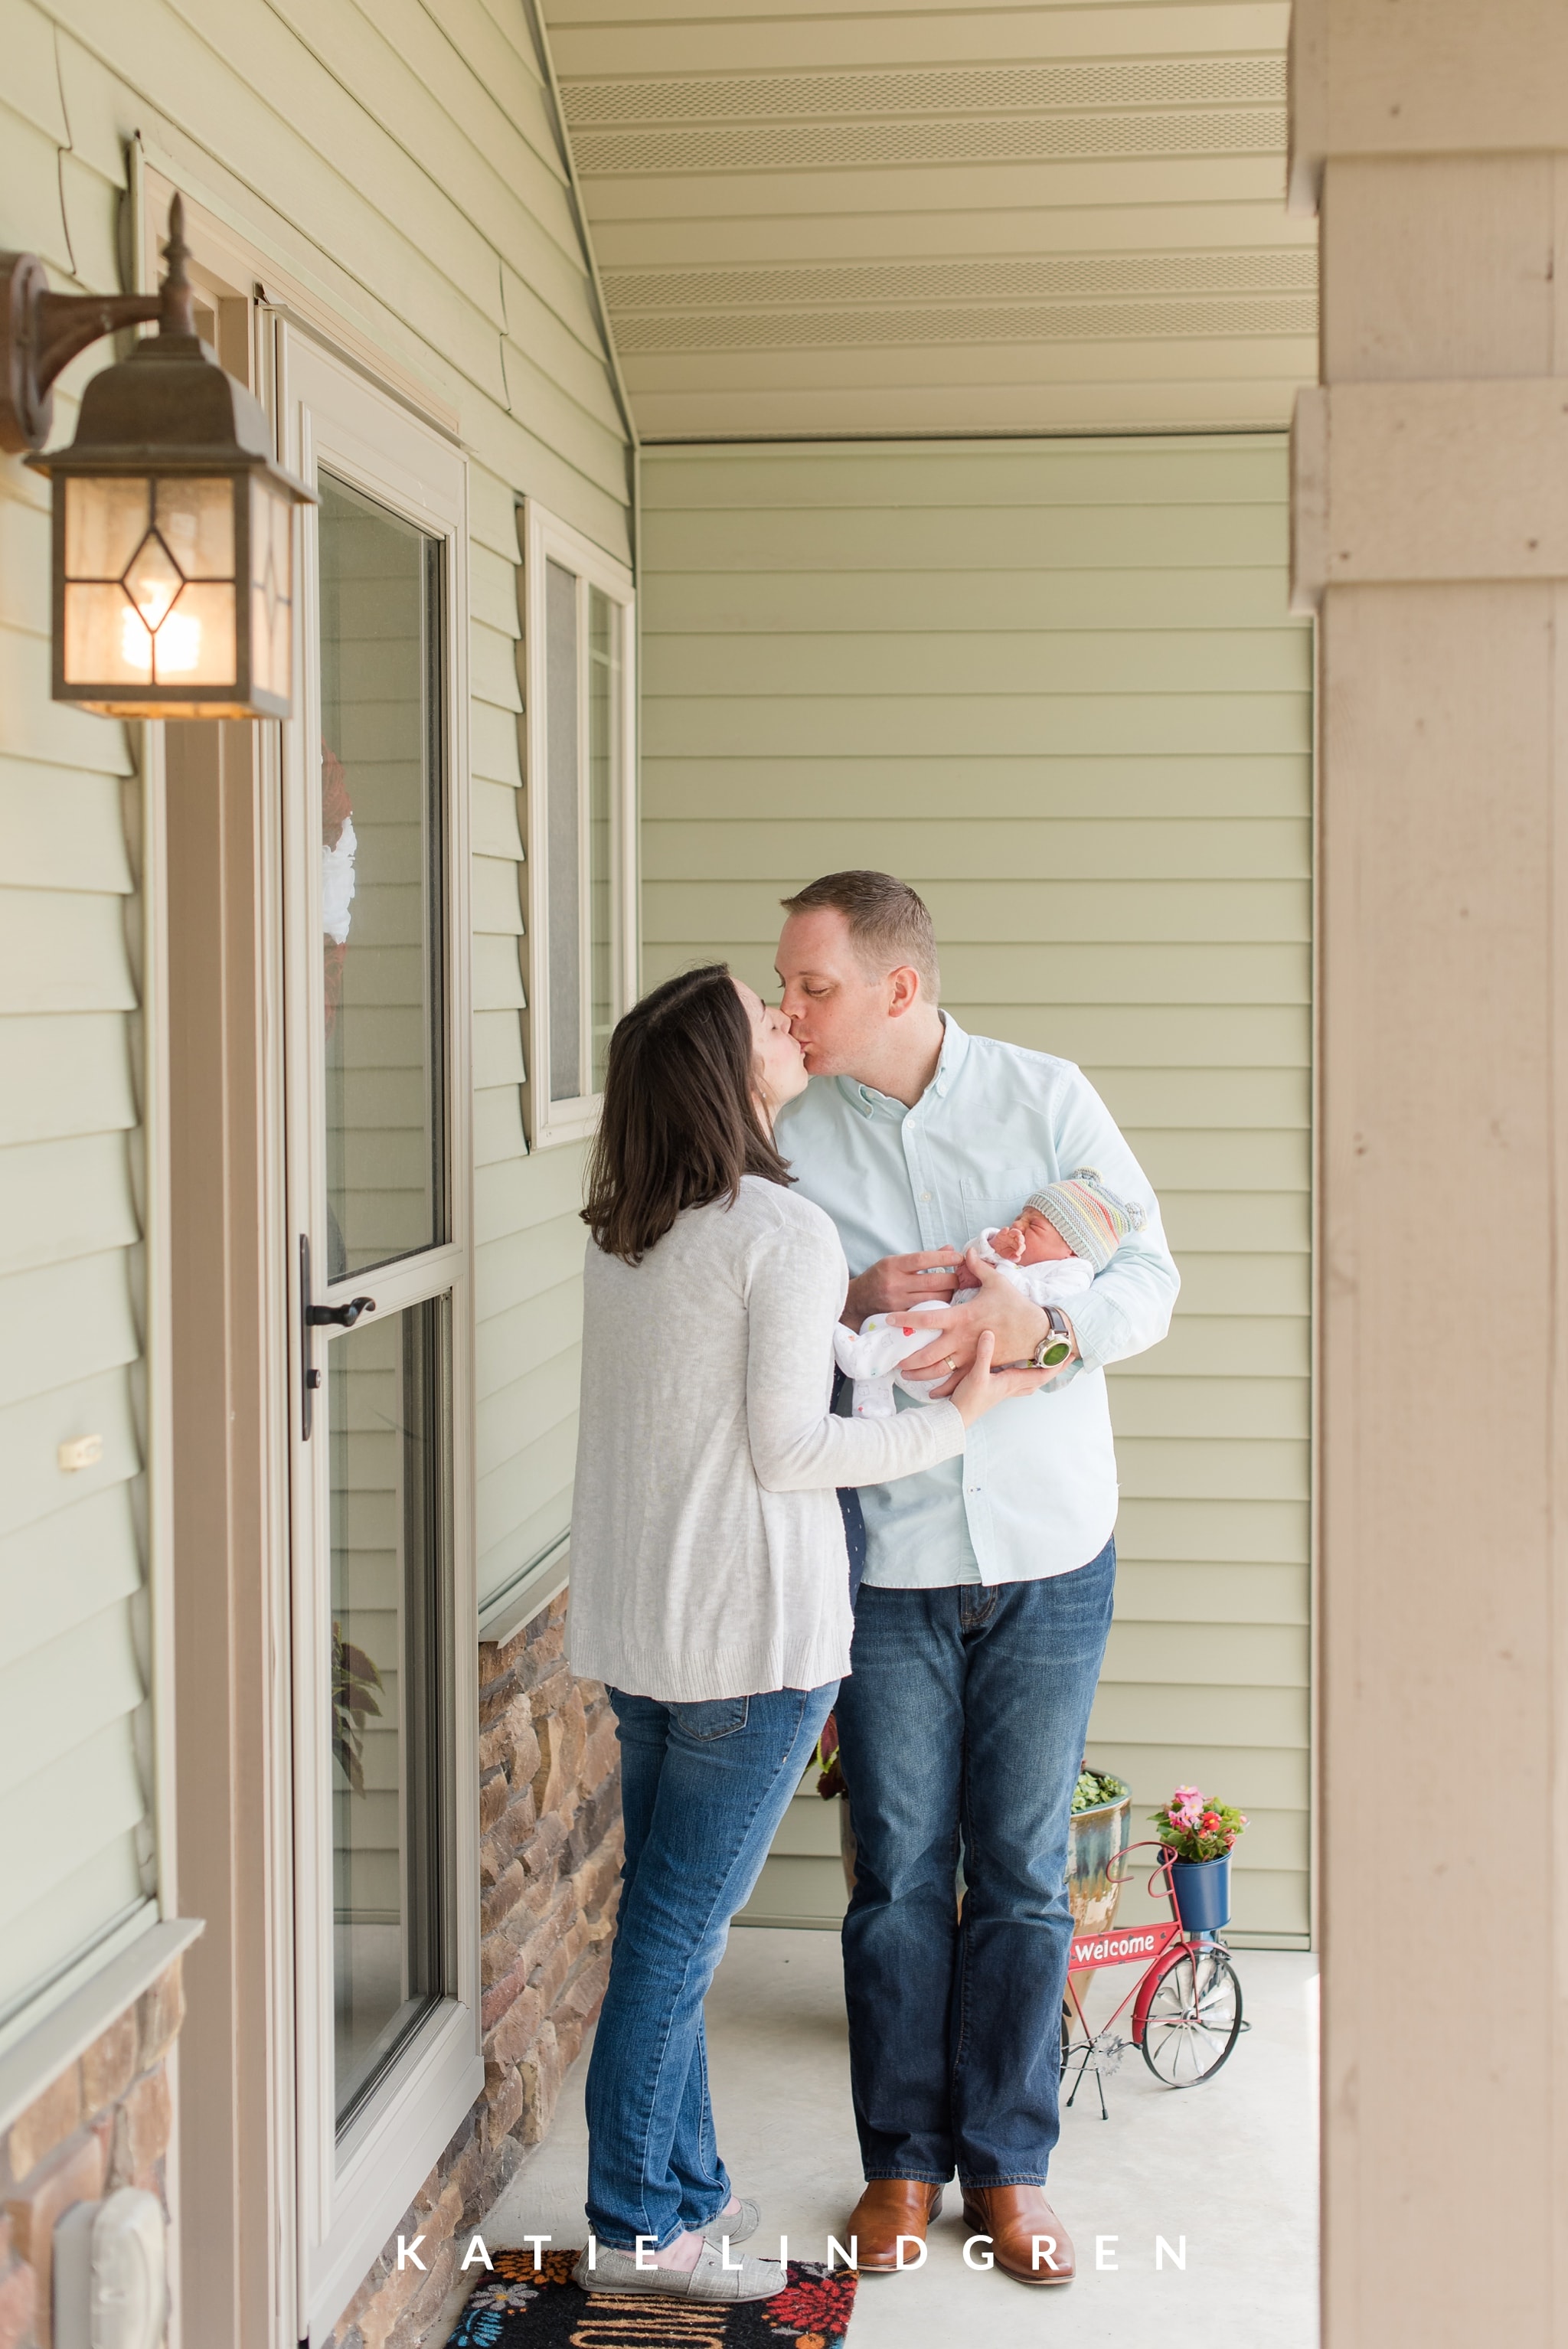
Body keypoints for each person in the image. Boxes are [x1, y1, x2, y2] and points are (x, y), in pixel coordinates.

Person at [566, 962, 1047, 2305]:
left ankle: (689, 2195)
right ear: (726, 1072)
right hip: (746, 1640)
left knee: (667, 1934)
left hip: (645, 1631)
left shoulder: (626, 1226)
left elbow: (722, 1391)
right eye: (762, 1015)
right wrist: (961, 1413)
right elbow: (789, 1447)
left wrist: (858, 1312)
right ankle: (631, 2227)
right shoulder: (773, 1226)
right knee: (673, 1945)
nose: (787, 1022)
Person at [773, 872, 1179, 2291]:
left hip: (1052, 1548)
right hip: (885, 1558)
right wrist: (858, 1298)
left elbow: (1150, 1278)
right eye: (786, 987)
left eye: (812, 986)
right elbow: (763, 1309)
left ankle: (1009, 2165)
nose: (790, 1011)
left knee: (1015, 1870)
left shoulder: (1045, 1097)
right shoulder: (789, 1130)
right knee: (892, 1871)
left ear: (898, 987)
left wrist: (1038, 1325)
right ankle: (898, 2160)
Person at [833, 1167, 1145, 1418]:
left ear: (1072, 1250)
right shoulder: (1013, 1254)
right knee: (921, 1311)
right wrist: (993, 1246)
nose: (1018, 1227)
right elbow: (973, 1254)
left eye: (1033, 1226)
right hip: (934, 1343)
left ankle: (863, 1355)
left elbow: (1039, 1302)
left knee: (931, 1319)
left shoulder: (1073, 1274)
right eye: (1019, 1218)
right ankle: (874, 1391)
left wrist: (1002, 1271)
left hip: (964, 1365)